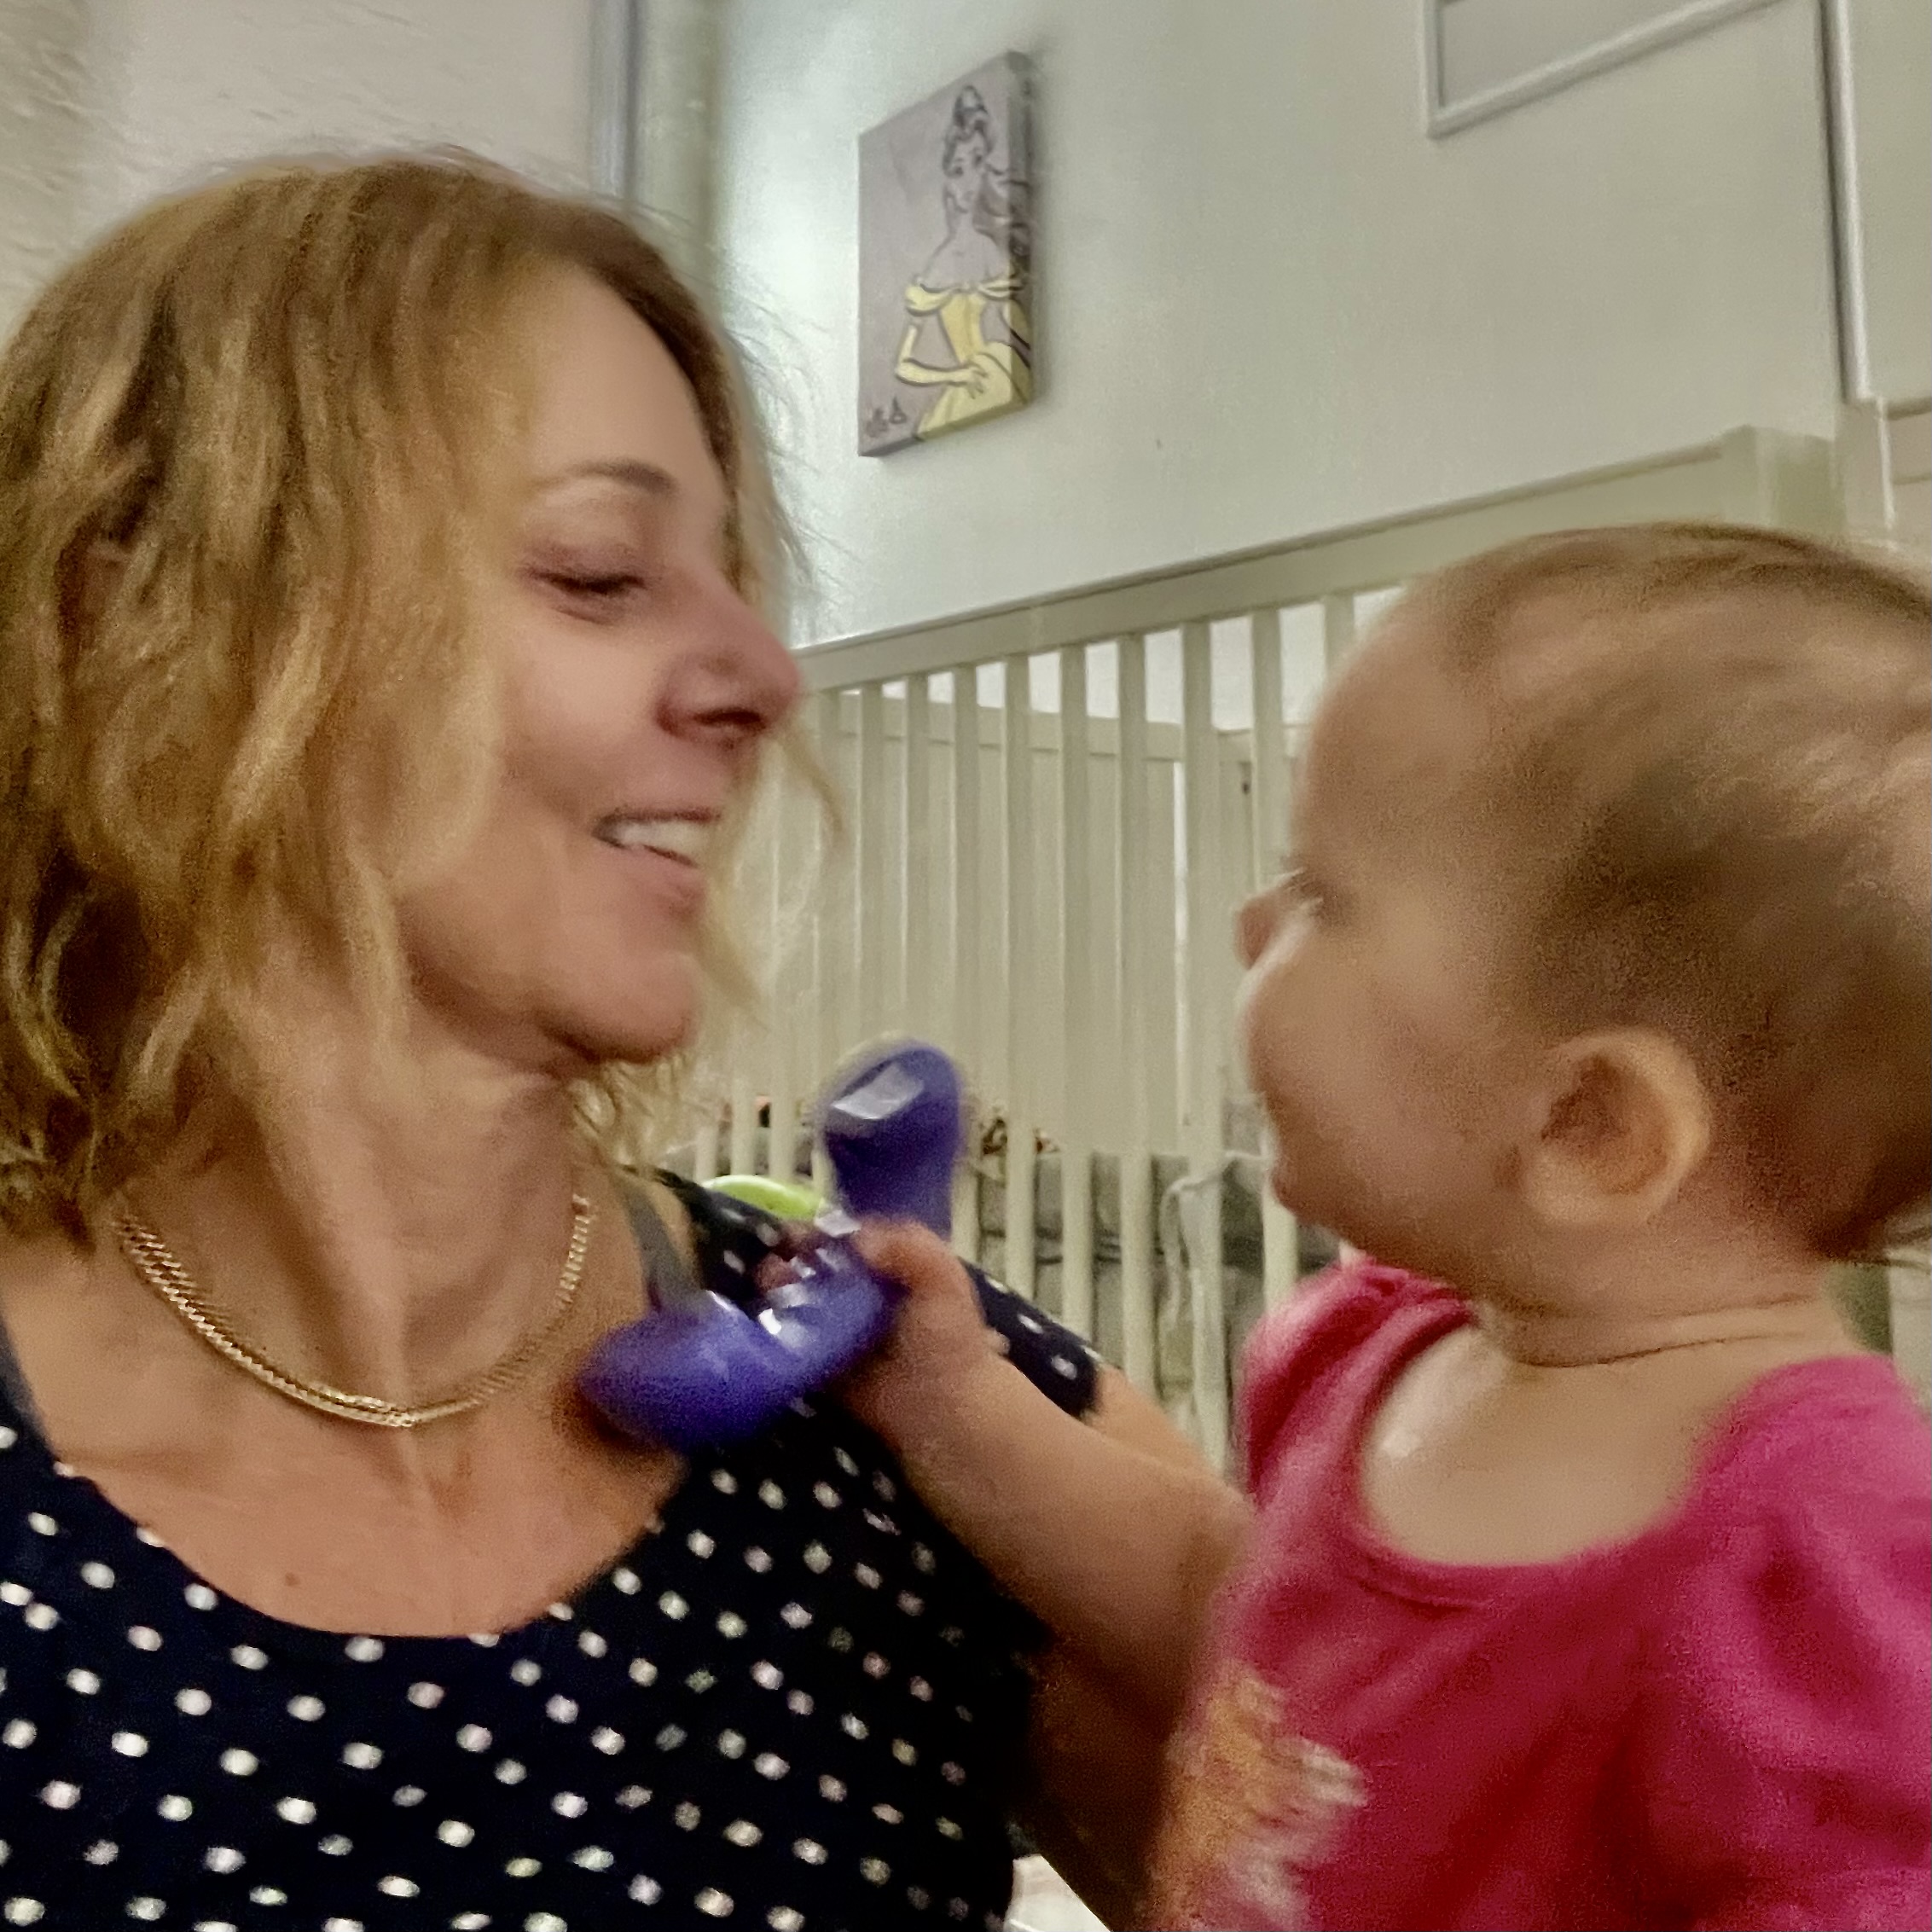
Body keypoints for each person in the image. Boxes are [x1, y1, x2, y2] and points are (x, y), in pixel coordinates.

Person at [0, 152, 1232, 1930]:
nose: (757, 673)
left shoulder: (914, 1401)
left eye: (730, 573)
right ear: (138, 625)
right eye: (597, 572)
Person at [862, 523, 1932, 1930]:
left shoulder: (1816, 1556)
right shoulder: (1369, 1354)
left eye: (1320, 895)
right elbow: (1236, 1627)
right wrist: (948, 1403)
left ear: (1587, 1125)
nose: (1252, 927)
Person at [889, 84, 1031, 441]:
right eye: (958, 168)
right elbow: (903, 364)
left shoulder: (989, 250)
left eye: (979, 162)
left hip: (1003, 375)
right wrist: (953, 375)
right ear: (947, 179)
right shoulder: (938, 267)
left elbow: (1019, 330)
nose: (970, 180)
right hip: (970, 385)